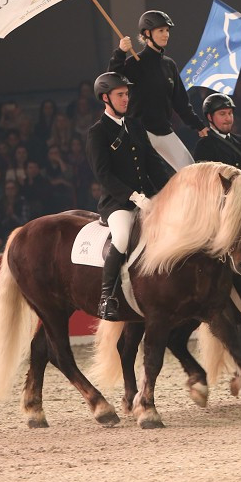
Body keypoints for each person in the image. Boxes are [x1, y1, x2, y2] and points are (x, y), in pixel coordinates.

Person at [86, 72, 173, 321]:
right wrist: (133, 196)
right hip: (118, 203)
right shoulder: (98, 132)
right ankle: (107, 298)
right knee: (123, 237)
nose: (126, 99)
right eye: (120, 95)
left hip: (149, 198)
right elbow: (103, 175)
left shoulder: (134, 125)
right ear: (106, 98)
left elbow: (153, 164)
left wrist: (169, 191)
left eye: (127, 94)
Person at [109, 10, 205, 172]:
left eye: (167, 30)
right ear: (147, 33)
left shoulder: (169, 65)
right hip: (139, 132)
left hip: (164, 129)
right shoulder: (134, 62)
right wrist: (120, 53)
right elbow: (112, 80)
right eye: (161, 30)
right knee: (145, 178)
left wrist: (199, 126)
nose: (166, 34)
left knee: (191, 171)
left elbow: (181, 102)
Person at [191, 93, 241, 180]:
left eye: (230, 113)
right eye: (222, 114)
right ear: (210, 117)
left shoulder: (240, 141)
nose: (228, 118)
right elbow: (205, 179)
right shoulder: (204, 145)